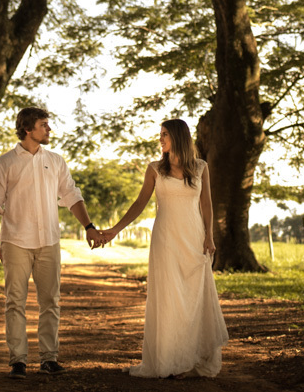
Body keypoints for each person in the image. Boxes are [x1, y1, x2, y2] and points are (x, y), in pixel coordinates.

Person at [94, 118, 228, 378]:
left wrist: (209, 237)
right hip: (165, 239)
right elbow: (139, 203)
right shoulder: (155, 168)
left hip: (194, 237)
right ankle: (168, 361)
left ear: (178, 137)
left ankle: (193, 360)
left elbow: (207, 205)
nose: (161, 139)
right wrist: (115, 229)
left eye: (165, 134)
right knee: (169, 297)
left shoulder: (201, 168)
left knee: (194, 296)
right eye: (161, 135)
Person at [0, 107, 104, 380]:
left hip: (49, 240)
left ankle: (49, 359)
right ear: (28, 129)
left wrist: (89, 226)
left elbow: (71, 195)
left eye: (48, 125)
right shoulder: (5, 163)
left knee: (50, 301)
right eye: (44, 125)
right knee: (15, 302)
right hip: (15, 241)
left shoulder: (56, 161)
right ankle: (18, 361)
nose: (49, 130)